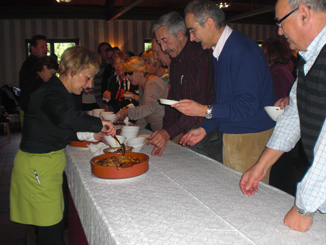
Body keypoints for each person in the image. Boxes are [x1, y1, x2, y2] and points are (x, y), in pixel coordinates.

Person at [10, 46, 116, 244]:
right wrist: (99, 123)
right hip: (38, 167)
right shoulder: (51, 93)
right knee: (51, 235)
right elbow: (65, 117)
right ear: (72, 70)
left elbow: (61, 126)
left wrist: (93, 135)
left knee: (54, 226)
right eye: (88, 77)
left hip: (46, 166)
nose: (89, 84)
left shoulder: (61, 92)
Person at [240, 0, 326, 232]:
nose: (279, 30)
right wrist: (261, 165)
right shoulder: (308, 59)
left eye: (280, 21)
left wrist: (303, 208)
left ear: (304, 14)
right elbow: (293, 117)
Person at [176, 0, 275, 181]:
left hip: (248, 136)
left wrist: (203, 110)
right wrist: (206, 128)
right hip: (237, 134)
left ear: (210, 24)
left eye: (192, 30)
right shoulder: (222, 50)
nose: (191, 38)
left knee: (246, 200)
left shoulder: (241, 51)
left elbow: (246, 107)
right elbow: (225, 102)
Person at [147, 11, 215, 157]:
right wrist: (165, 135)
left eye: (165, 40)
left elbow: (199, 104)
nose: (164, 48)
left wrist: (167, 133)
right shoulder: (176, 61)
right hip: (183, 128)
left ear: (179, 34)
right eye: (160, 43)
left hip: (204, 131)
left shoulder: (201, 56)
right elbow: (172, 101)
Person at [115, 56, 168, 131]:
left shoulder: (152, 82)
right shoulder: (142, 85)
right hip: (159, 129)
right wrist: (137, 126)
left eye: (130, 73)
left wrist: (127, 112)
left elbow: (149, 108)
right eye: (125, 73)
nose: (127, 76)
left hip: (168, 130)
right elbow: (145, 112)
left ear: (140, 71)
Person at [93, 42, 113, 109]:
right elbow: (97, 87)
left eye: (107, 49)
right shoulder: (99, 68)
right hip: (105, 102)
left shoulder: (117, 67)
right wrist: (100, 103)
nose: (106, 52)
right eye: (103, 51)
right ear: (100, 54)